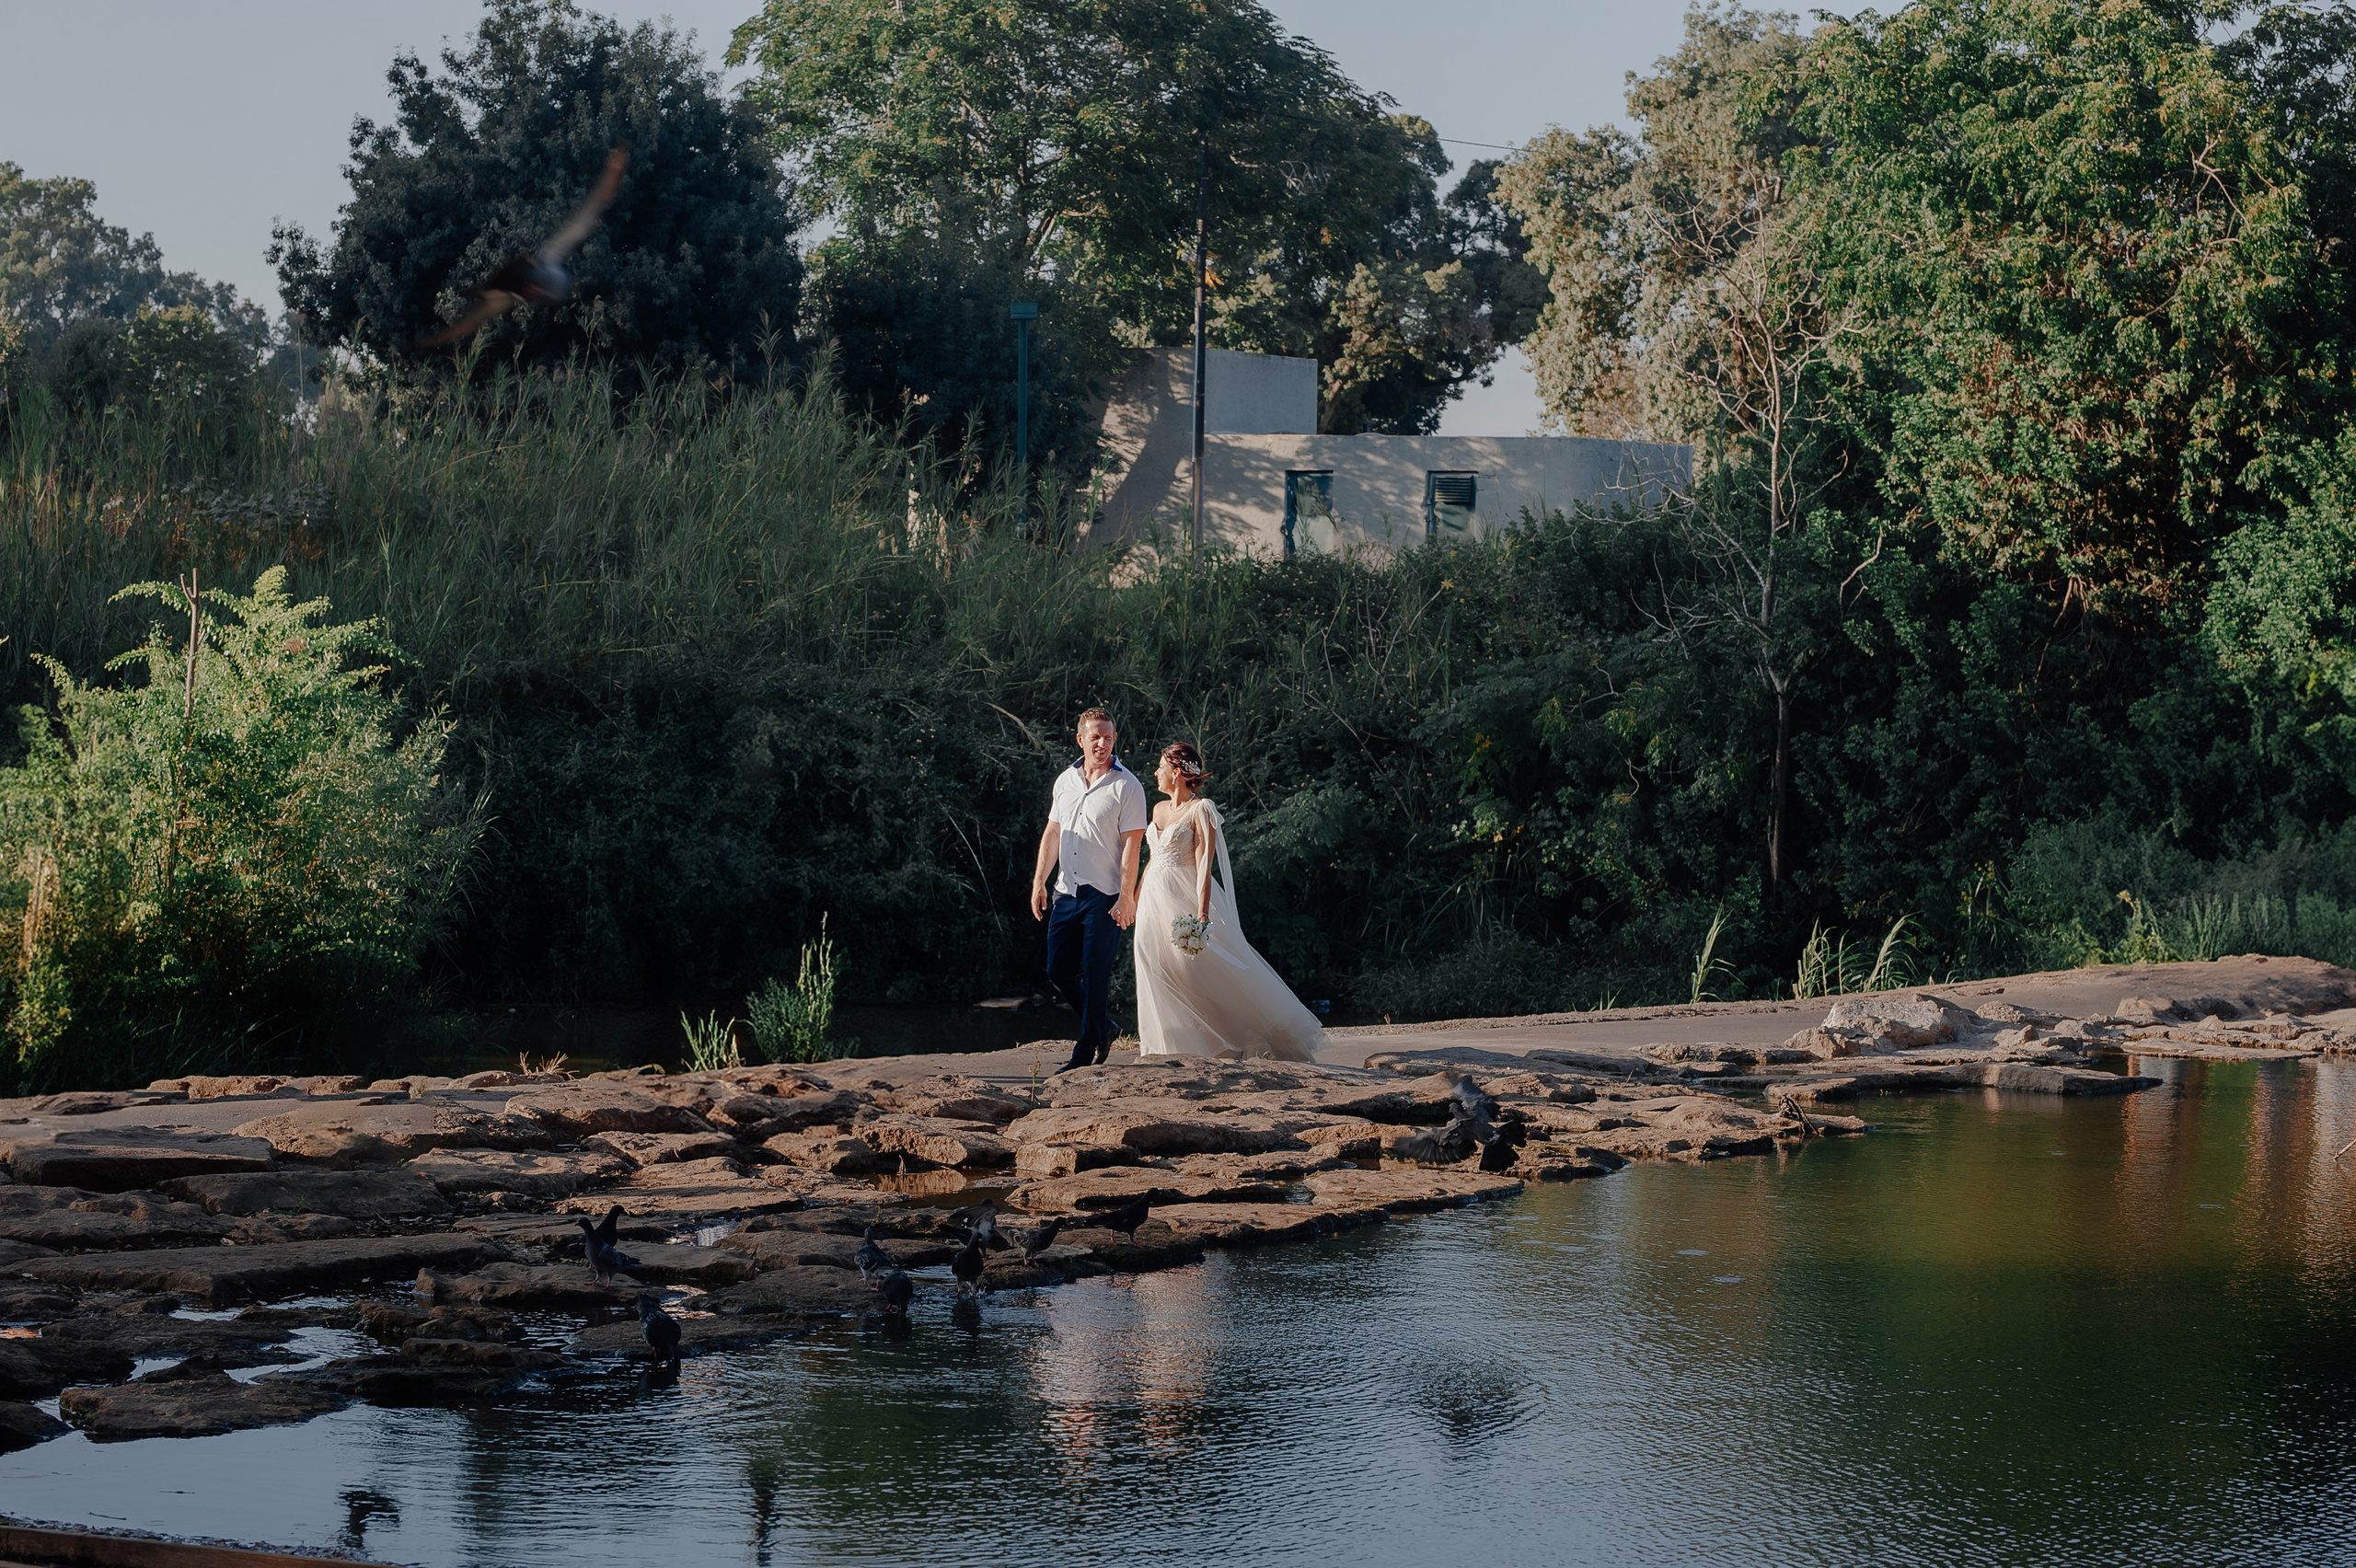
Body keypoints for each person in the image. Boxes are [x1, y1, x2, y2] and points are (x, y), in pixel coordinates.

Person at [1133, 742, 1325, 1062]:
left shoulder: (1201, 809)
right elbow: (1151, 861)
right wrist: (1136, 898)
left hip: (1181, 900)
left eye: (1161, 767)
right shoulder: (1158, 810)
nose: (1156, 772)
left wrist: (1202, 914)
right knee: (1153, 966)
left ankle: (1231, 1042)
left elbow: (1205, 866)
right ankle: (1164, 1049)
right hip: (1152, 902)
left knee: (1197, 973)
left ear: (1177, 772)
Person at [1031, 708, 1149, 1073]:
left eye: (1109, 737)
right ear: (1080, 739)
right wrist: (1039, 881)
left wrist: (1126, 897)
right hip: (1067, 891)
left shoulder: (1127, 785)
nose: (1102, 743)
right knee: (1057, 970)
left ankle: (1083, 1055)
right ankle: (1105, 1027)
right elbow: (1053, 833)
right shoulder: (1065, 780)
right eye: (1095, 737)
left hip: (1105, 895)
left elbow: (1133, 845)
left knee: (1096, 973)